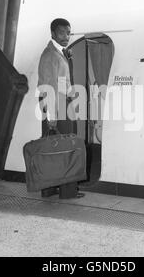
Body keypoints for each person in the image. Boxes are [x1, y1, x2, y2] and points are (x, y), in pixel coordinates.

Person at [37, 18, 85, 199]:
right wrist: (51, 117)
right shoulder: (50, 55)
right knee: (66, 147)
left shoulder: (61, 53)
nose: (66, 36)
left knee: (53, 147)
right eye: (62, 32)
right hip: (56, 106)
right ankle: (67, 191)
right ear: (52, 34)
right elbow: (48, 87)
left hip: (62, 104)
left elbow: (62, 82)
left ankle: (49, 189)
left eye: (68, 32)